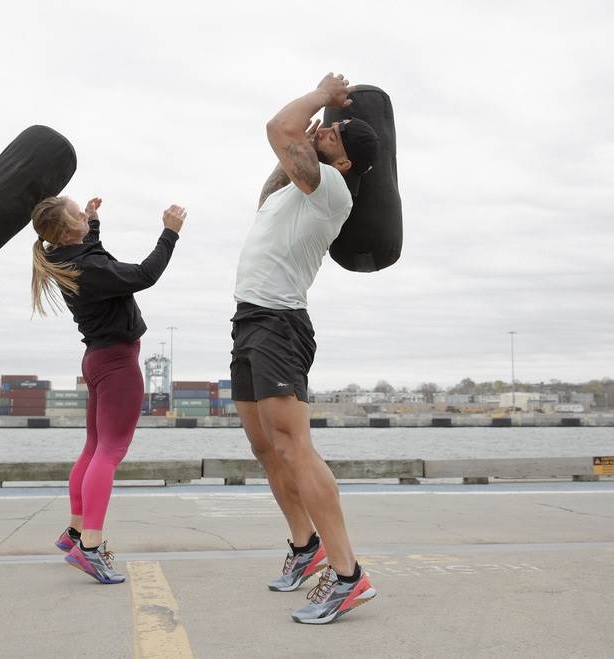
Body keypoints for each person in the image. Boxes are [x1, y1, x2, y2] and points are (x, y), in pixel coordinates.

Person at [230, 72, 380, 624]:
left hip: (279, 323)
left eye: (334, 135)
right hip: (249, 321)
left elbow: (278, 127)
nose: (324, 131)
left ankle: (347, 576)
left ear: (342, 164)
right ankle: (303, 546)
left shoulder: (333, 191)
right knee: (265, 449)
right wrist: (312, 136)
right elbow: (270, 187)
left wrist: (322, 94)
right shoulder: (295, 189)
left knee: (295, 447)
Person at [31, 194, 185, 584]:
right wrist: (170, 233)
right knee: (110, 452)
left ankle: (75, 531)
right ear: (67, 230)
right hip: (117, 362)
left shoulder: (66, 259)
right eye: (77, 212)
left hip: (97, 359)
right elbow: (144, 274)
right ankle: (90, 547)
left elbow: (93, 254)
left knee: (93, 448)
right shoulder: (90, 268)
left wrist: (94, 222)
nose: (82, 211)